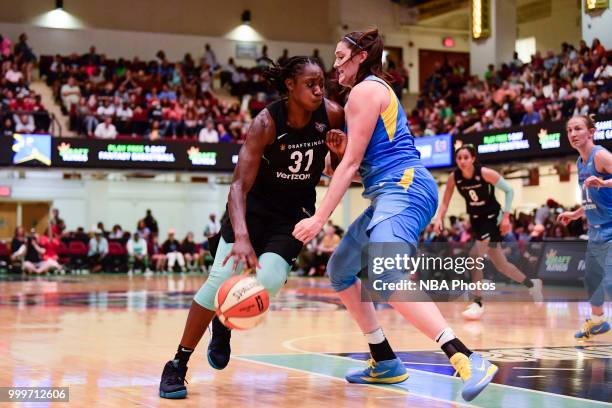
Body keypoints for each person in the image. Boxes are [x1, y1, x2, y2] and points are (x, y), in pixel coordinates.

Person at [292, 30, 496, 402]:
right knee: (340, 270)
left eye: (340, 56)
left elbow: (352, 164)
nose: (335, 64)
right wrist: (336, 159)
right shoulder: (366, 93)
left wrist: (320, 218)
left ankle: (465, 357)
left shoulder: (365, 91)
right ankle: (384, 359)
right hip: (388, 191)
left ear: (361, 56)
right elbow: (352, 165)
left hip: (405, 187)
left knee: (386, 273)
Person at [158, 56, 344, 399]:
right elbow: (237, 188)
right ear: (290, 85)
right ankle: (178, 364)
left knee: (269, 279)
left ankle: (224, 318)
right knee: (218, 281)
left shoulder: (331, 114)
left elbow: (342, 168)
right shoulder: (266, 123)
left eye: (322, 83)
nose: (319, 90)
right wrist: (241, 237)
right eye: (310, 84)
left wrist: (337, 155)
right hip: (252, 210)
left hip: (292, 215)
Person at [434, 145, 543, 319]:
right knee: (501, 265)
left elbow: (509, 190)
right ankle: (532, 284)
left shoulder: (485, 173)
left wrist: (506, 216)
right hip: (477, 220)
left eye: (466, 157)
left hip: (493, 218)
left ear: (473, 158)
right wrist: (439, 217)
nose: (462, 161)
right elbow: (445, 201)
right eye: (459, 158)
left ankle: (477, 302)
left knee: (474, 256)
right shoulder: (454, 177)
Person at [558, 115, 611, 339]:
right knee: (592, 278)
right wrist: (576, 213)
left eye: (578, 129)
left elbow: (601, 185)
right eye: (570, 130)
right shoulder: (580, 162)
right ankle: (598, 321)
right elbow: (592, 197)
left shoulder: (600, 155)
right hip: (596, 229)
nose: (573, 134)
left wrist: (604, 182)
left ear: (591, 132)